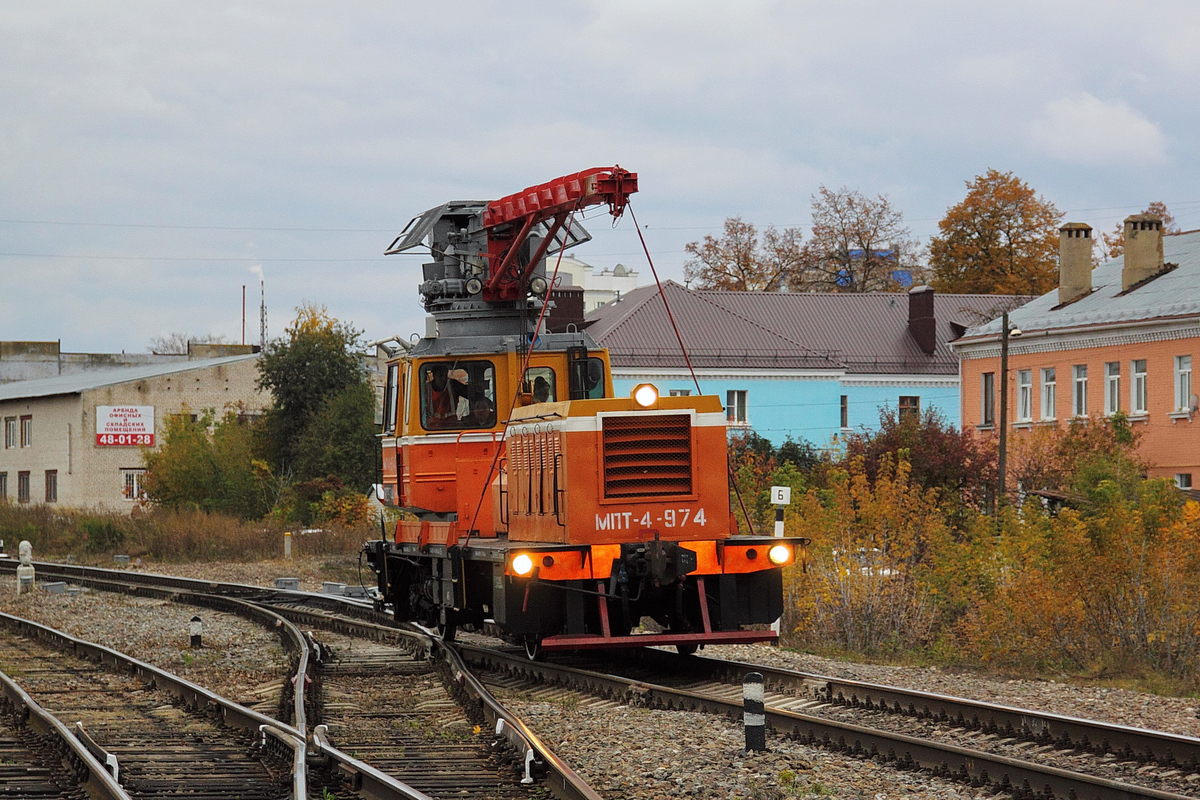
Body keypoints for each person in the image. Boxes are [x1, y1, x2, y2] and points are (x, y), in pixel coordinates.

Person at [425, 364, 457, 428]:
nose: (443, 378)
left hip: (452, 426)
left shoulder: (454, 385)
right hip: (432, 427)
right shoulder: (425, 389)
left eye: (445, 375)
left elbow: (471, 393)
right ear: (434, 375)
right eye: (440, 375)